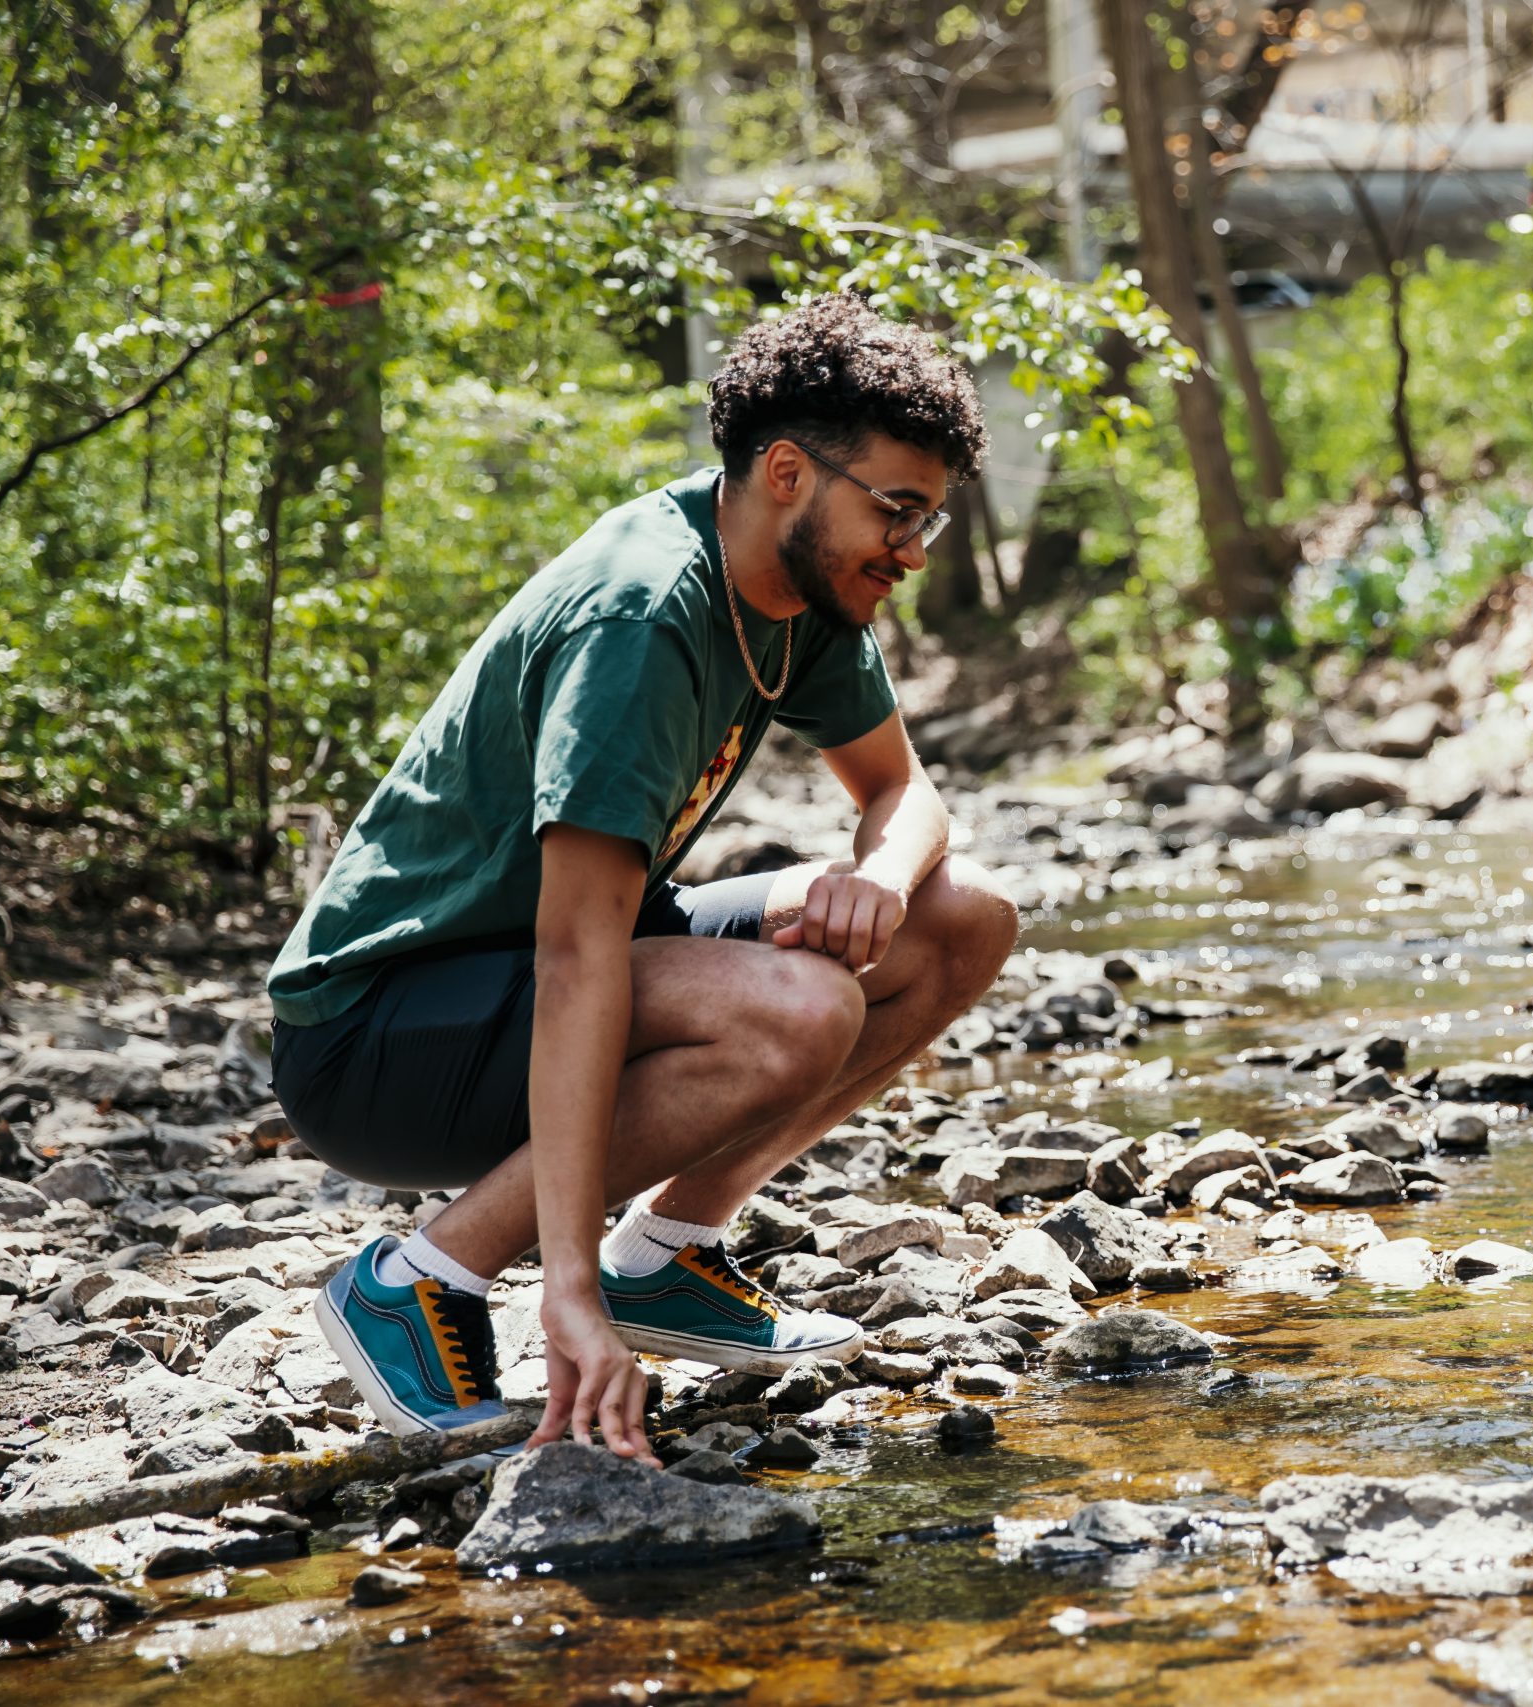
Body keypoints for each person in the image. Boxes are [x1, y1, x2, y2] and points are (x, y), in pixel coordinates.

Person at [264, 295, 1019, 1462]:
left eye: (931, 517)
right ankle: (417, 1281)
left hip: (534, 969)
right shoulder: (642, 617)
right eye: (899, 510)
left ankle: (660, 1263)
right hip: (377, 1030)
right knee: (799, 1009)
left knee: (961, 915)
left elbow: (906, 794)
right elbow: (578, 960)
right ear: (786, 473)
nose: (915, 553)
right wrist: (556, 1282)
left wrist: (878, 871)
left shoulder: (805, 590)